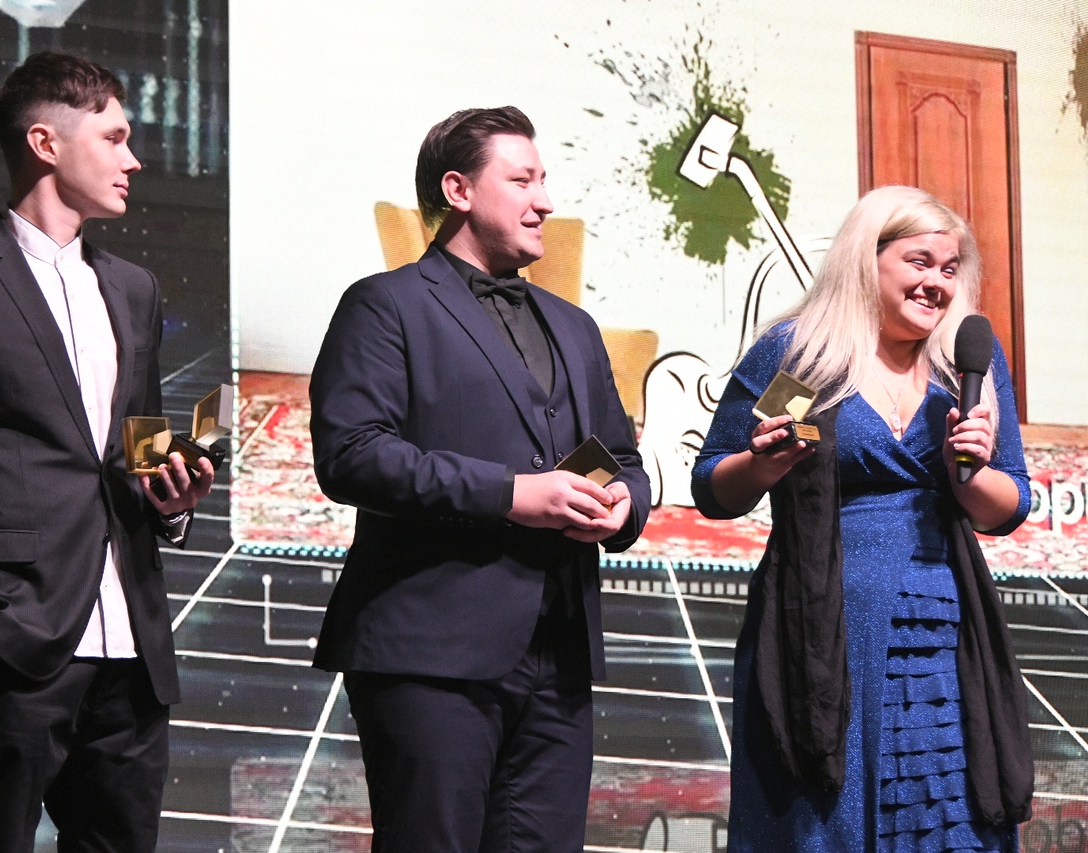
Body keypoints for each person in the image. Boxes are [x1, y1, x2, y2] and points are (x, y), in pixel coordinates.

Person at [0, 51, 214, 852]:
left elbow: (139, 448)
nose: (135, 159)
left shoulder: (134, 287)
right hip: (10, 642)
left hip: (133, 645)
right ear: (45, 143)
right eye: (115, 137)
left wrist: (171, 504)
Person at [309, 106, 650, 852]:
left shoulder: (574, 326)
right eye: (522, 181)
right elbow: (352, 455)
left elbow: (621, 456)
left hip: (559, 654)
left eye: (544, 180)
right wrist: (511, 494)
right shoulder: (385, 304)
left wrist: (623, 504)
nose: (545, 202)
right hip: (429, 652)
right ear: (458, 190)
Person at [691, 186, 1034, 851]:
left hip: (940, 627)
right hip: (817, 623)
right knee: (825, 817)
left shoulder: (967, 364)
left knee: (943, 809)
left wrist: (967, 467)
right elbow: (712, 485)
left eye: (949, 268)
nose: (937, 282)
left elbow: (1009, 504)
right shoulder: (801, 354)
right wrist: (762, 464)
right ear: (865, 258)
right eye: (919, 262)